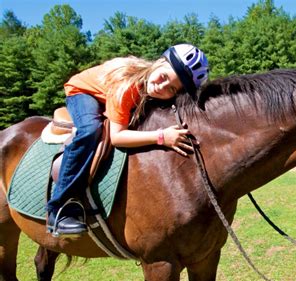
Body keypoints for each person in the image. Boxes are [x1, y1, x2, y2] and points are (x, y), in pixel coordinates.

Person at [46, 44, 209, 237]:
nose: (162, 86)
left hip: (110, 93)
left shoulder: (152, 85)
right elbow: (117, 137)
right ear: (158, 63)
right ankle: (58, 208)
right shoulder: (127, 87)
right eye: (164, 77)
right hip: (83, 92)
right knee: (90, 130)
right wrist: (161, 136)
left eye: (172, 88)